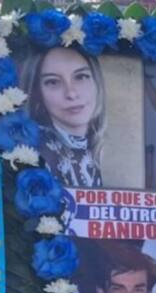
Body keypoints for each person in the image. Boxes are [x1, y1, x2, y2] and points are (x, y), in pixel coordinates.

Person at [20, 46, 106, 188]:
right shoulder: (35, 152)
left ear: (97, 82)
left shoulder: (98, 146)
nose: (71, 93)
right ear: (37, 93)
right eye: (53, 82)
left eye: (80, 77)